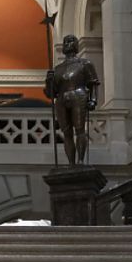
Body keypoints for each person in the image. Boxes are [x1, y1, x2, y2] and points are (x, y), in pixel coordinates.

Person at [45, 34, 100, 165]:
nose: (68, 43)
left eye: (71, 41)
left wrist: (93, 100)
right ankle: (71, 163)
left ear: (76, 45)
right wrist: (49, 81)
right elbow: (50, 93)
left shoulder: (85, 64)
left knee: (79, 129)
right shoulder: (57, 69)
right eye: (66, 41)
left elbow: (93, 83)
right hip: (61, 99)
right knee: (67, 133)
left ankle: (80, 160)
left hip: (78, 95)